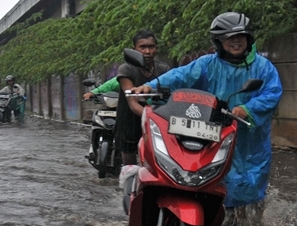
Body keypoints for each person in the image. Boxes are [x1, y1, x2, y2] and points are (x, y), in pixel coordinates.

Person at [133, 12, 282, 213]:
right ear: (219, 41)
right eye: (230, 37)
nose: (236, 42)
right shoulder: (207, 64)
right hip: (211, 128)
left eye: (240, 37)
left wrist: (248, 109)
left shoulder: (264, 67)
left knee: (250, 187)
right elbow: (180, 76)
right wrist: (151, 86)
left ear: (249, 38)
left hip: (249, 139)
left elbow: (272, 93)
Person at [115, 30, 170, 166]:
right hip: (130, 120)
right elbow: (133, 103)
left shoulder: (163, 69)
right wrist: (155, 119)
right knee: (130, 167)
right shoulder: (126, 69)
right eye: (142, 47)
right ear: (134, 50)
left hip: (158, 119)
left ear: (156, 49)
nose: (147, 51)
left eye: (151, 47)